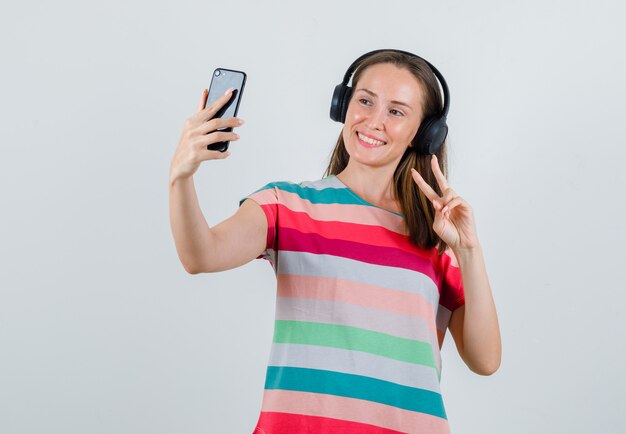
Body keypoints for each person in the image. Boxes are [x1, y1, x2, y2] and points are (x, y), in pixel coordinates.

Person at [169, 50, 501, 434]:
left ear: (423, 133)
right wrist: (181, 177)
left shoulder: (438, 235)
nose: (374, 121)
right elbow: (201, 255)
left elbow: (485, 359)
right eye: (364, 101)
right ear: (342, 106)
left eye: (396, 111)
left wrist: (469, 250)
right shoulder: (287, 205)